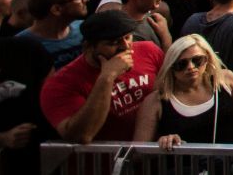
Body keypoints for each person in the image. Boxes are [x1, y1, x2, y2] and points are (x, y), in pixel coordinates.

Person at [42, 9, 166, 143]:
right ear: (88, 47)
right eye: (113, 43)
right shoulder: (61, 84)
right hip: (102, 160)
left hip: (152, 155)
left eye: (128, 37)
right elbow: (80, 136)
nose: (125, 47)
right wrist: (107, 77)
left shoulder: (149, 50)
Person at [132, 34, 233, 148]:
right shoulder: (156, 101)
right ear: (170, 68)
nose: (191, 67)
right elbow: (138, 152)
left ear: (208, 59)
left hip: (229, 166)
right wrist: (162, 142)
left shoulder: (226, 80)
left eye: (197, 60)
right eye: (181, 64)